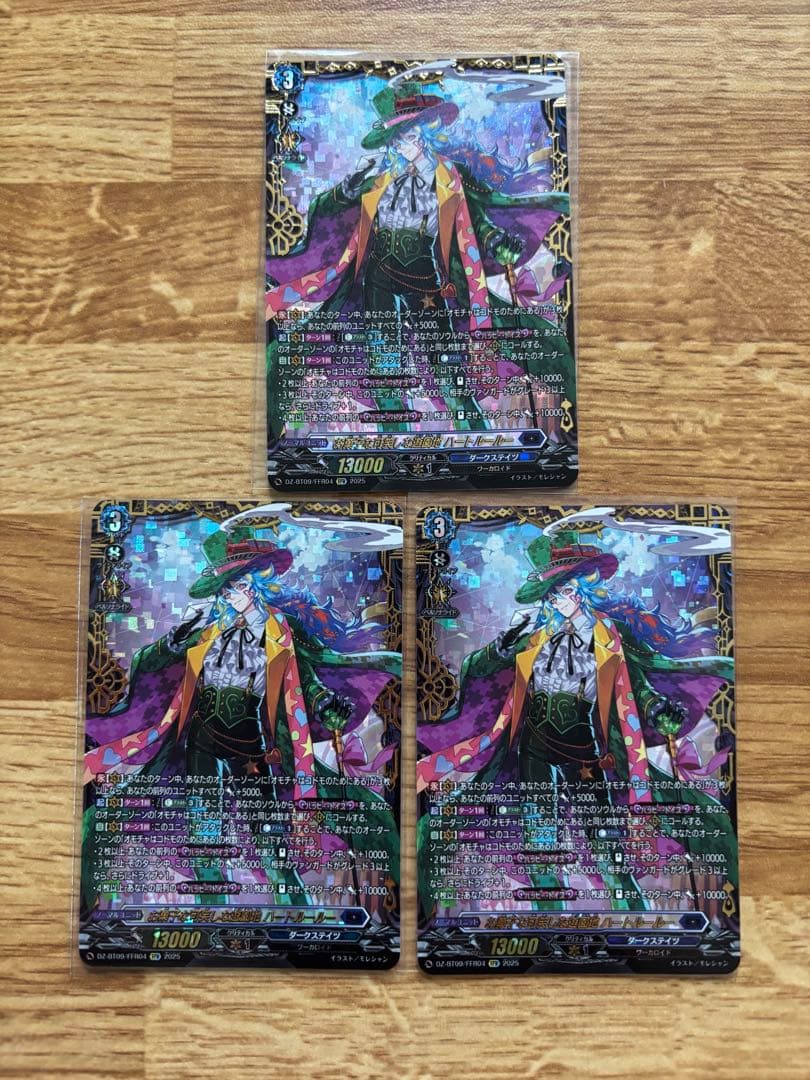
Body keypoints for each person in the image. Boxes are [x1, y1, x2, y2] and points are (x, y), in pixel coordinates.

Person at [417, 532, 738, 918]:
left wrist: (656, 707)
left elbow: (635, 681)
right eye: (551, 594)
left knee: (605, 841)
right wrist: (503, 643)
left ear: (582, 588)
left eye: (564, 591)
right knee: (539, 842)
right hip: (533, 746)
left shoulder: (608, 634)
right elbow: (478, 668)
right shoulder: (534, 635)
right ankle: (547, 919)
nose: (557, 600)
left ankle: (632, 915)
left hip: (585, 748)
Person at [82, 526, 402, 909]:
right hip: (201, 741)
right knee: (204, 836)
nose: (228, 595)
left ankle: (296, 912)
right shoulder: (207, 631)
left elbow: (306, 678)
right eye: (225, 589)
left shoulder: (280, 631)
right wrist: (171, 643)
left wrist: (326, 703)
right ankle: (211, 911)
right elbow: (148, 663)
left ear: (254, 586)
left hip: (253, 745)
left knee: (269, 837)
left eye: (235, 587)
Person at [266, 81, 573, 434]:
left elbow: (477, 219)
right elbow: (326, 207)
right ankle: (393, 444)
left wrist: (497, 241)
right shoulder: (378, 180)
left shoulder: (450, 176)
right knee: (383, 373)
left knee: (448, 370)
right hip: (378, 279)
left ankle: (474, 435)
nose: (401, 145)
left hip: (427, 279)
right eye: (395, 140)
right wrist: (350, 183)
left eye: (407, 136)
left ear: (424, 134)